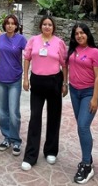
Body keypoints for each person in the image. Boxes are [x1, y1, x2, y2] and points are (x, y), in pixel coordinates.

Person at [20, 15, 68, 171]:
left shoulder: (59, 43)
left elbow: (64, 64)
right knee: (35, 118)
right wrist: (25, 78)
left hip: (54, 81)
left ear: (53, 27)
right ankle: (30, 155)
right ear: (41, 26)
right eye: (44, 24)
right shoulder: (33, 40)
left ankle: (51, 150)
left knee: (54, 116)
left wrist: (64, 83)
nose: (47, 27)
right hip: (37, 82)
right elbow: (27, 59)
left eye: (50, 24)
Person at [66, 23, 98, 184]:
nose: (79, 36)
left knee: (82, 126)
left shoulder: (95, 52)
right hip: (74, 92)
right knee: (81, 127)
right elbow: (66, 66)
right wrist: (64, 84)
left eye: (82, 33)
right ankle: (88, 157)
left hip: (88, 93)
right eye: (76, 34)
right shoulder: (73, 50)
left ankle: (86, 165)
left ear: (87, 34)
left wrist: (95, 98)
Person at [0, 14, 28, 156]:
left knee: (13, 112)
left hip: (15, 79)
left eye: (13, 23)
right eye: (7, 23)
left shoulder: (21, 39)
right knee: (2, 112)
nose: (10, 25)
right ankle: (7, 137)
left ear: (16, 25)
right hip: (0, 78)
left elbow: (29, 55)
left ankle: (16, 140)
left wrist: (27, 76)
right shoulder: (0, 37)